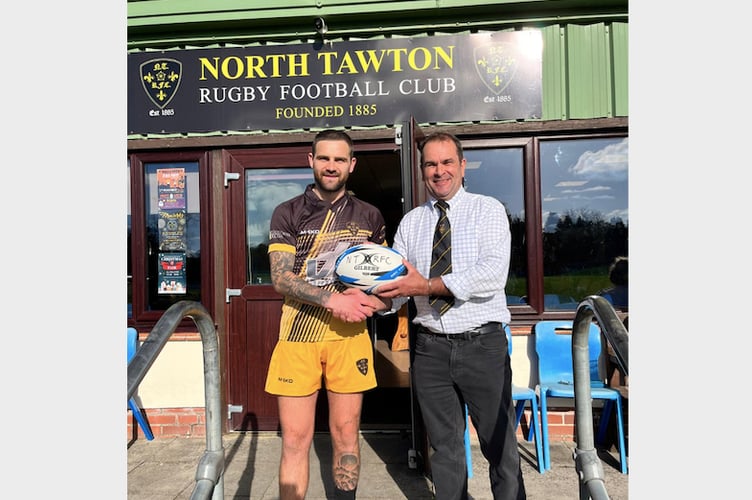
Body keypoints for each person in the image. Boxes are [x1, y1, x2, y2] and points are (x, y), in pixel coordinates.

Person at [376, 132, 526, 500]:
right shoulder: (411, 222)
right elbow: (398, 286)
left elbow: (492, 275)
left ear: (462, 165)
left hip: (482, 346)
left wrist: (425, 286)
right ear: (422, 169)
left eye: (446, 162)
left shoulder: (487, 209)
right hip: (430, 350)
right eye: (430, 164)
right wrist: (371, 300)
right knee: (444, 451)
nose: (439, 171)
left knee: (500, 447)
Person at [264, 129, 391, 500]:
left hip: (349, 340)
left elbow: (384, 280)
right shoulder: (287, 211)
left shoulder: (370, 215)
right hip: (297, 339)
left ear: (351, 165)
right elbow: (280, 278)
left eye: (339, 159)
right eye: (324, 158)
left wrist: (376, 301)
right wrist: (333, 300)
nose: (330, 166)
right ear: (311, 161)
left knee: (346, 438)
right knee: (295, 442)